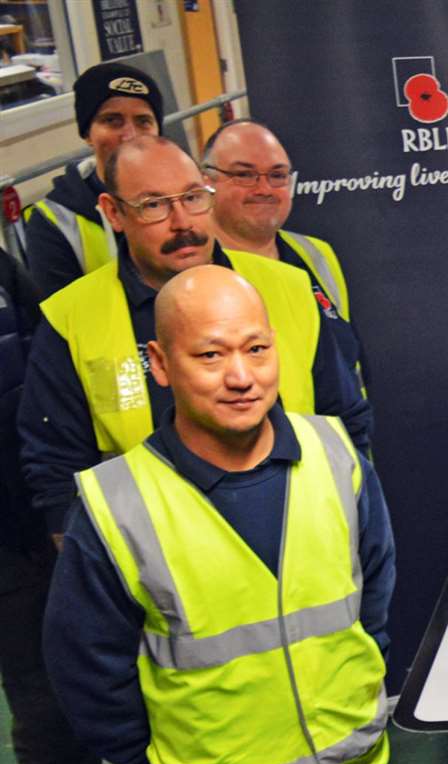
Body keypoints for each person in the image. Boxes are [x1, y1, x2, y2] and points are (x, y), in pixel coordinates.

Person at [42, 264, 417, 764]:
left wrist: (356, 697)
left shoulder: (331, 451)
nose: (242, 375)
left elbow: (375, 590)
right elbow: (85, 668)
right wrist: (167, 759)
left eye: (256, 348)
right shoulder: (121, 504)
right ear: (160, 363)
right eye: (211, 356)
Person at [19, 135, 371, 545]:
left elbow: (345, 423)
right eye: (153, 205)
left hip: (301, 539)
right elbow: (56, 473)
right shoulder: (71, 318)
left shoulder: (289, 288)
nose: (182, 222)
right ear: (113, 213)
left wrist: (352, 527)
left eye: (192, 197)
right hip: (158, 564)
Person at [2, 248, 141, 764]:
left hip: (20, 505)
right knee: (34, 661)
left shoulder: (3, 270)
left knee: (59, 654)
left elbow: (44, 370)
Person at [22, 63, 163, 298]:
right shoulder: (54, 223)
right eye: (112, 121)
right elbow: (62, 321)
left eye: (143, 121)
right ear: (88, 133)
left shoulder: (189, 198)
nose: (130, 135)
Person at [203, 119, 353, 321]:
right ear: (206, 182)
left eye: (277, 175)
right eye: (245, 174)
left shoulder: (316, 254)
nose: (264, 189)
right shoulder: (194, 262)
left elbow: (347, 346)